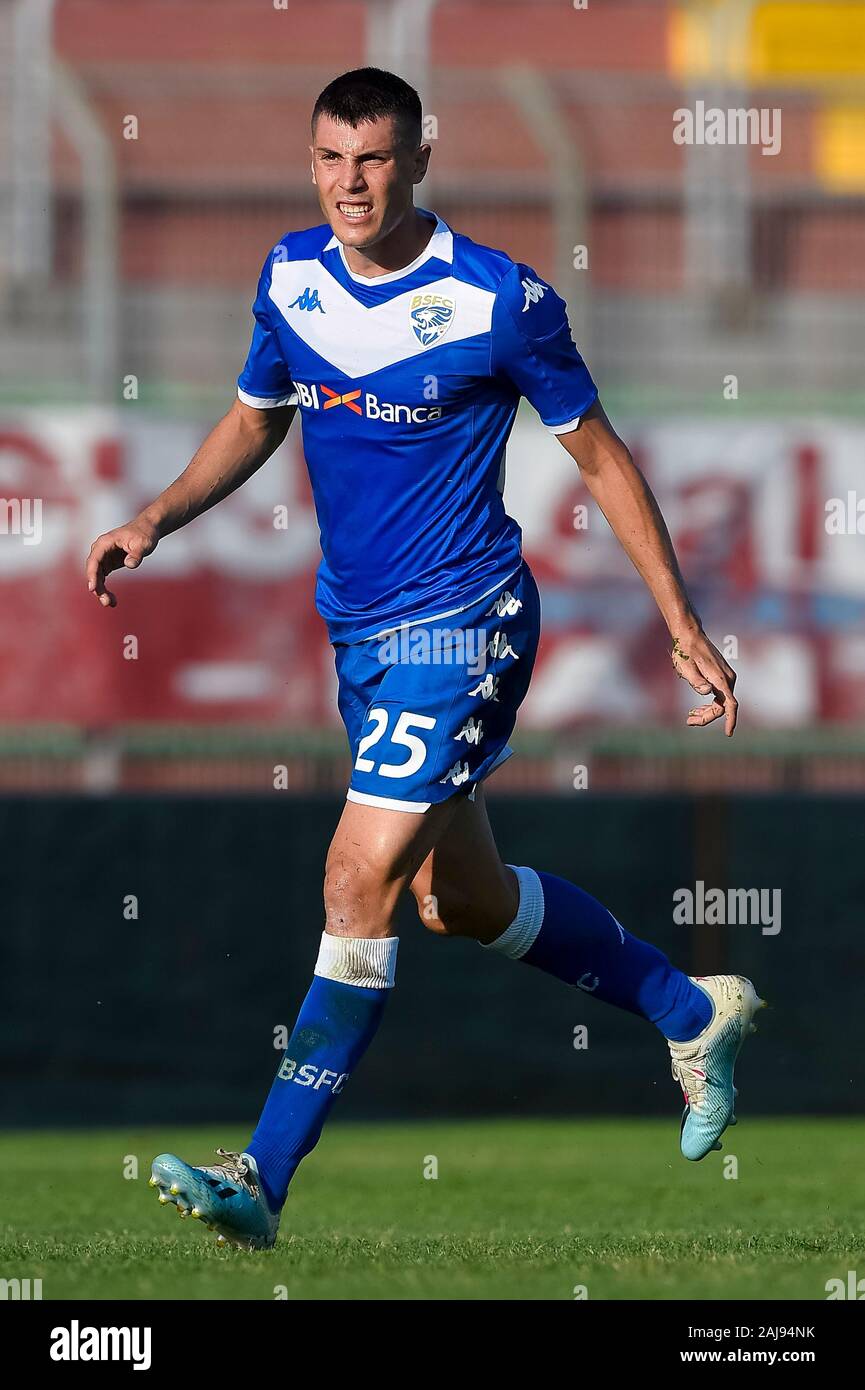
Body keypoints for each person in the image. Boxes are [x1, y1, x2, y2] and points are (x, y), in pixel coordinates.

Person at [86, 68, 762, 1251]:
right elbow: (257, 415)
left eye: (377, 159)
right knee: (461, 900)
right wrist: (156, 516)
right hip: (359, 630)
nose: (354, 183)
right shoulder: (289, 274)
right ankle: (686, 1006)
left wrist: (681, 625)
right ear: (312, 164)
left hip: (464, 625)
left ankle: (262, 1175)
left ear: (419, 162)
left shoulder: (501, 298)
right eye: (334, 160)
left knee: (358, 878)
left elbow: (599, 458)